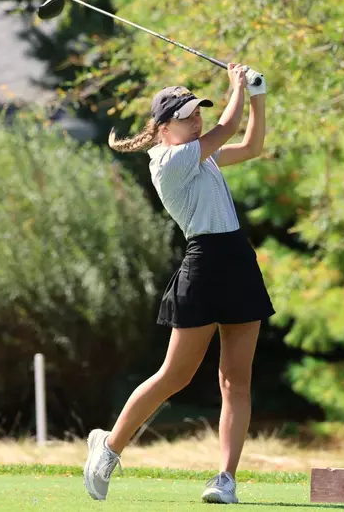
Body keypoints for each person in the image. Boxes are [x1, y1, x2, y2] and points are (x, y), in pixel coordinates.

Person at [83, 63, 273, 504]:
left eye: (198, 113)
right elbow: (228, 126)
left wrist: (257, 95)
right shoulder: (170, 160)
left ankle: (225, 479)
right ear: (164, 128)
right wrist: (236, 86)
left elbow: (252, 145)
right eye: (188, 116)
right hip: (204, 265)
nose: (198, 120)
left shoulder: (200, 156)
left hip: (238, 263)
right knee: (175, 375)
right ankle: (109, 447)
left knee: (235, 381)